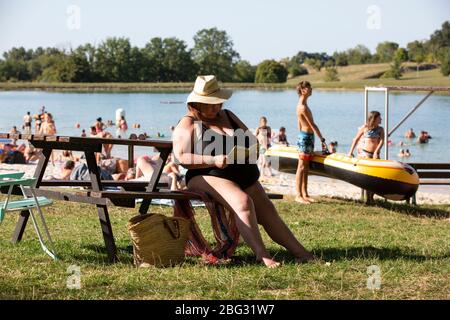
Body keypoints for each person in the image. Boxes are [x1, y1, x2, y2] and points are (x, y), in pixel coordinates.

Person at [172, 75, 315, 268]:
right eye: (212, 104)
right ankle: (262, 255)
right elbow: (181, 157)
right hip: (206, 174)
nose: (217, 107)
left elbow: (252, 139)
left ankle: (301, 253)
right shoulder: (188, 123)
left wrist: (253, 149)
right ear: (198, 104)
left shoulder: (228, 115)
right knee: (243, 202)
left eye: (219, 102)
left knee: (268, 212)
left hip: (242, 174)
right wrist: (212, 159)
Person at [295, 81, 326, 204]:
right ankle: (298, 195)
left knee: (306, 167)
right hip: (306, 137)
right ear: (303, 90)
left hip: (306, 136)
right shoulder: (302, 107)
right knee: (301, 166)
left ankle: (305, 193)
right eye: (309, 88)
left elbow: (299, 123)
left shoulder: (302, 104)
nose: (311, 89)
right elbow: (312, 124)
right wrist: (322, 139)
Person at [348, 110, 385, 203]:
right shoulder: (365, 128)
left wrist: (376, 151)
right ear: (374, 118)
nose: (381, 119)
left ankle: (371, 197)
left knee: (377, 178)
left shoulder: (381, 129)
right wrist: (350, 152)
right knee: (369, 177)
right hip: (366, 154)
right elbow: (355, 139)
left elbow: (381, 141)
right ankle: (368, 199)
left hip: (376, 155)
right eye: (379, 117)